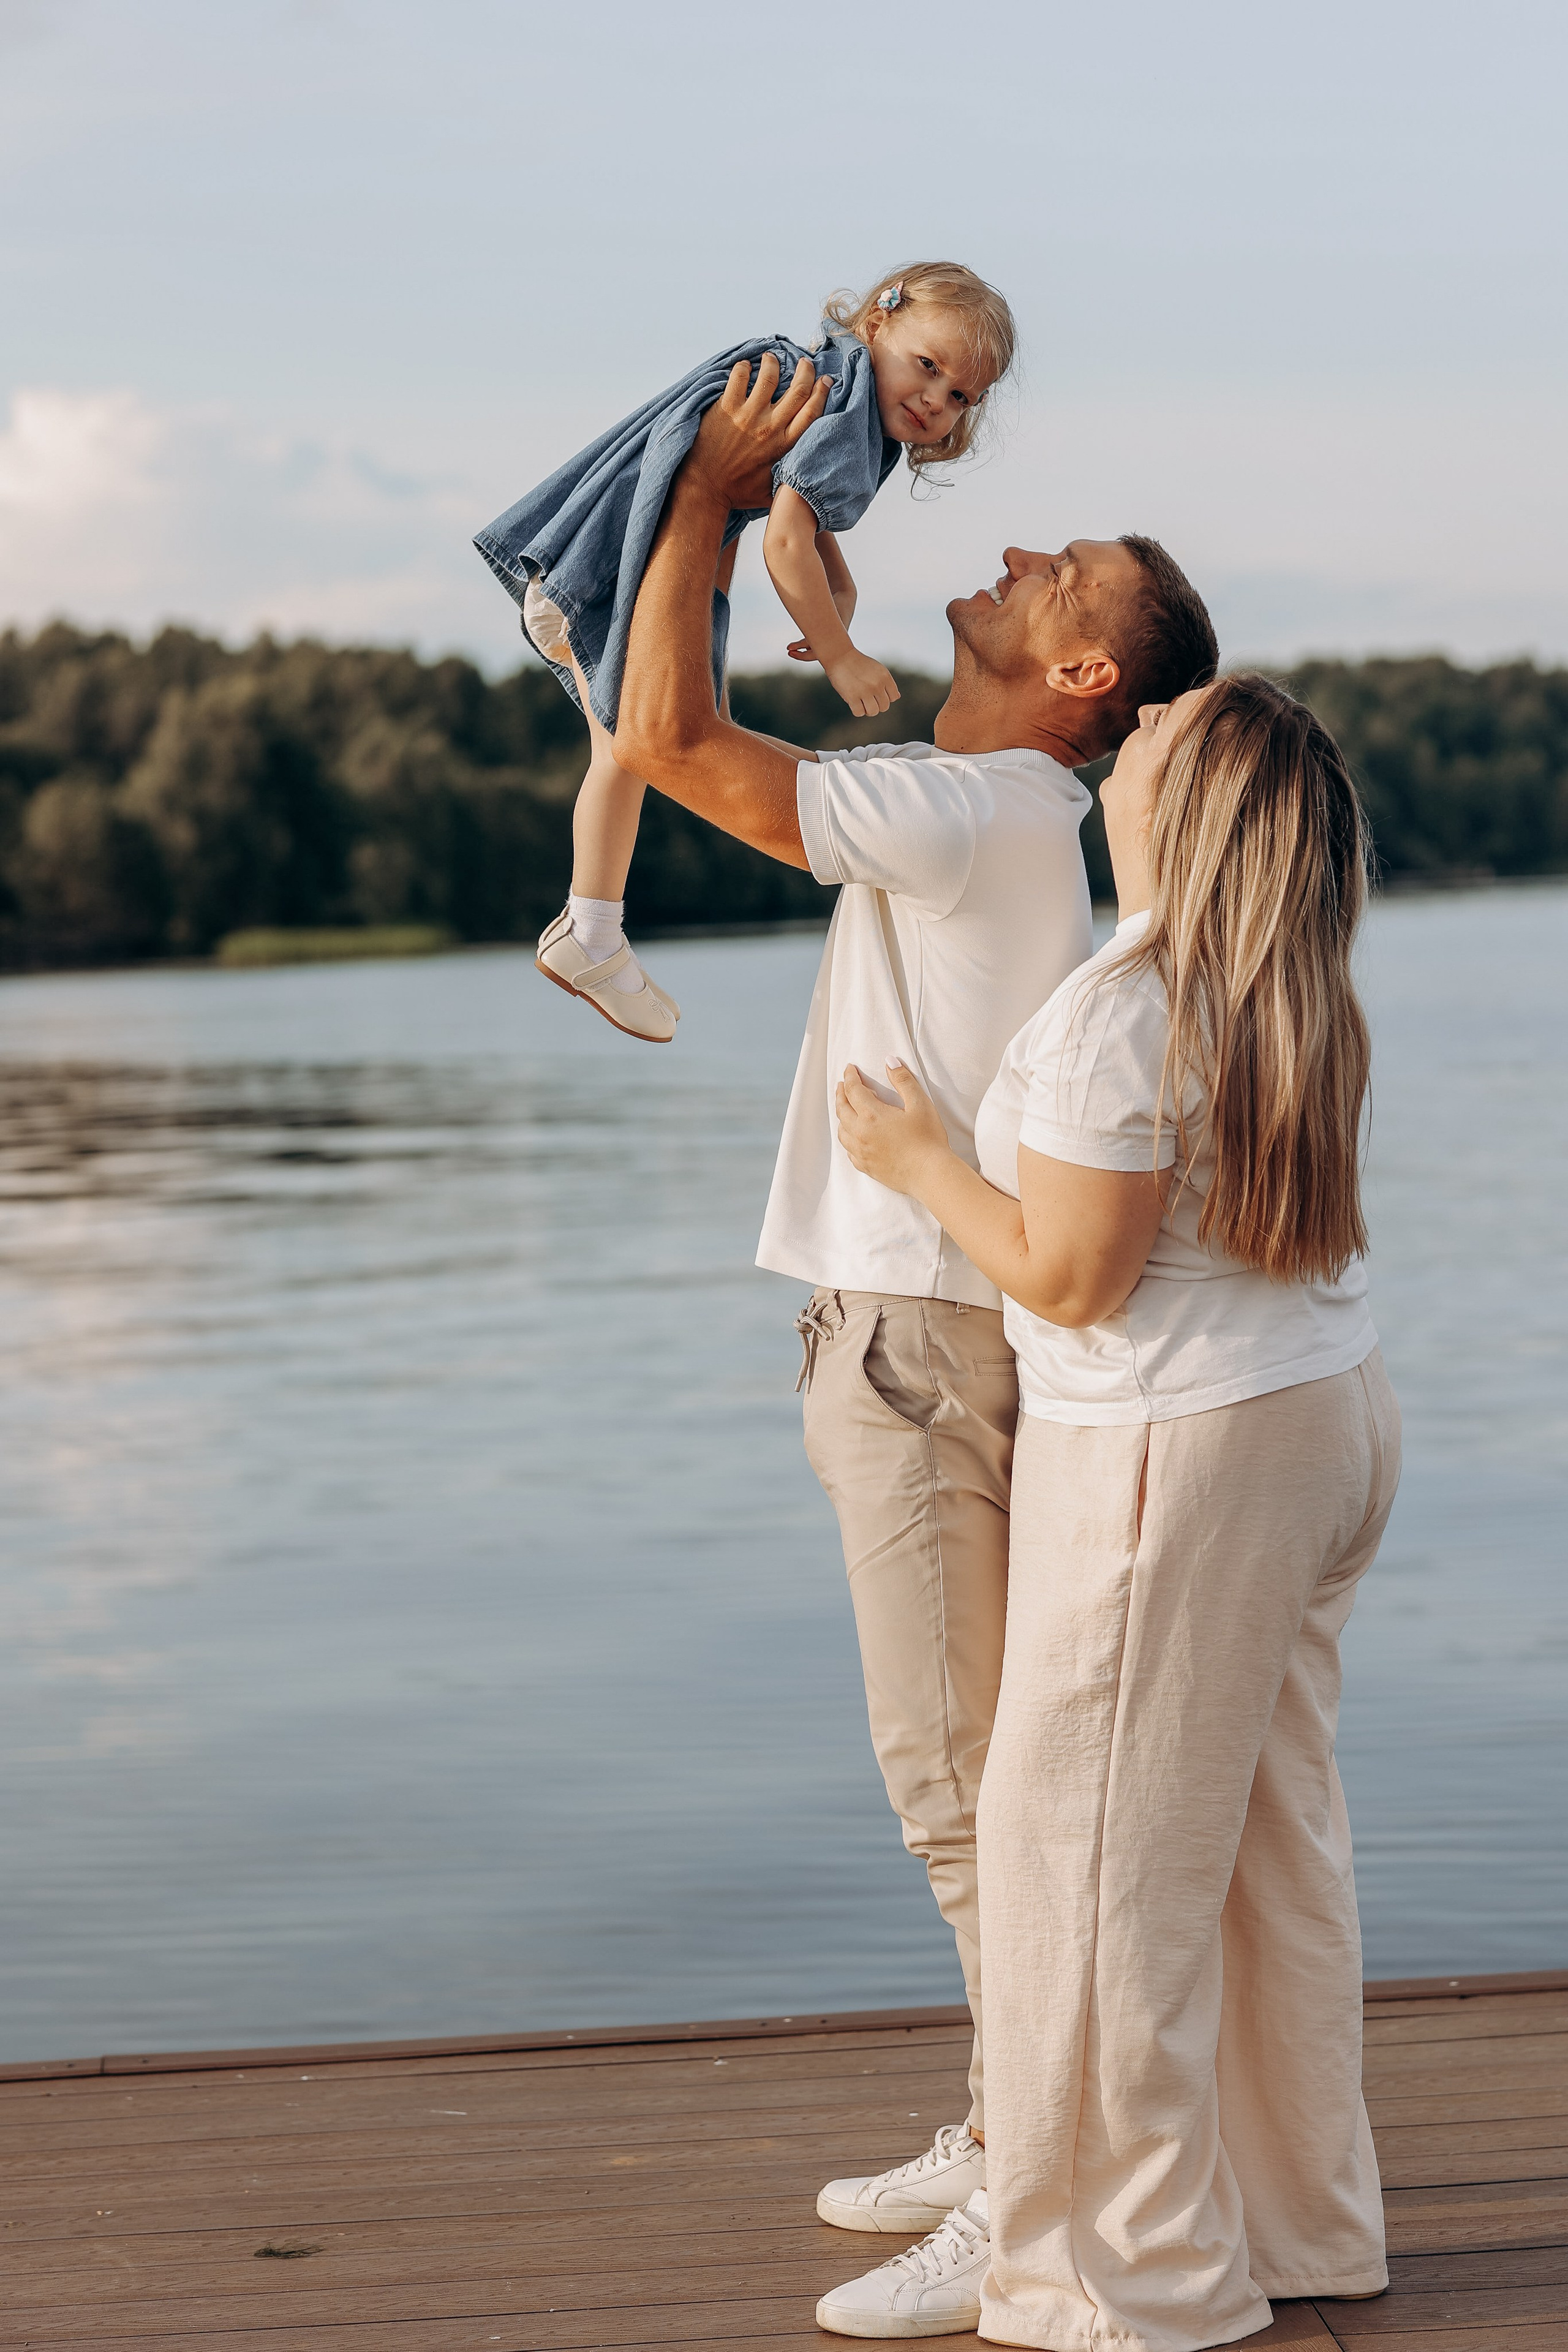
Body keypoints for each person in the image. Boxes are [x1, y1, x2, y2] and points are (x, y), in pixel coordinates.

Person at [609, 353, 1218, 2241]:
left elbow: (669, 740)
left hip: (920, 1337)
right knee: (984, 1770)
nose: (1019, 545)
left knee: (956, 1783)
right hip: (940, 1326)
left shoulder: (976, 812)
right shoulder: (998, 810)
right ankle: (1008, 2112)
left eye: (1060, 574)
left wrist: (700, 500)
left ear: (1080, 683)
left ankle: (1034, 2192)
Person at [826, 672, 1398, 2345]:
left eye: (1160, 731)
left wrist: (927, 1165)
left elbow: (1074, 1280)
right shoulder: (1288, 989)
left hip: (1180, 1459)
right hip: (1324, 1420)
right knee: (1265, 1853)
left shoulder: (1118, 1013)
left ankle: (1111, 2273)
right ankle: (1297, 2222)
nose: (1133, 728)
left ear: (1186, 802)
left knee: (1079, 1863)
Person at [473, 263, 1016, 1041]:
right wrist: (840, 653)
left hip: (597, 556)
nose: (936, 400)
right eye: (928, 367)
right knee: (652, 747)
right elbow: (786, 544)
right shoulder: (842, 401)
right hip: (611, 569)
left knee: (666, 744)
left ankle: (592, 928)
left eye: (961, 395)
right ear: (876, 326)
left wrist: (840, 588)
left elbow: (800, 509)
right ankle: (590, 929)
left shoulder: (832, 382)